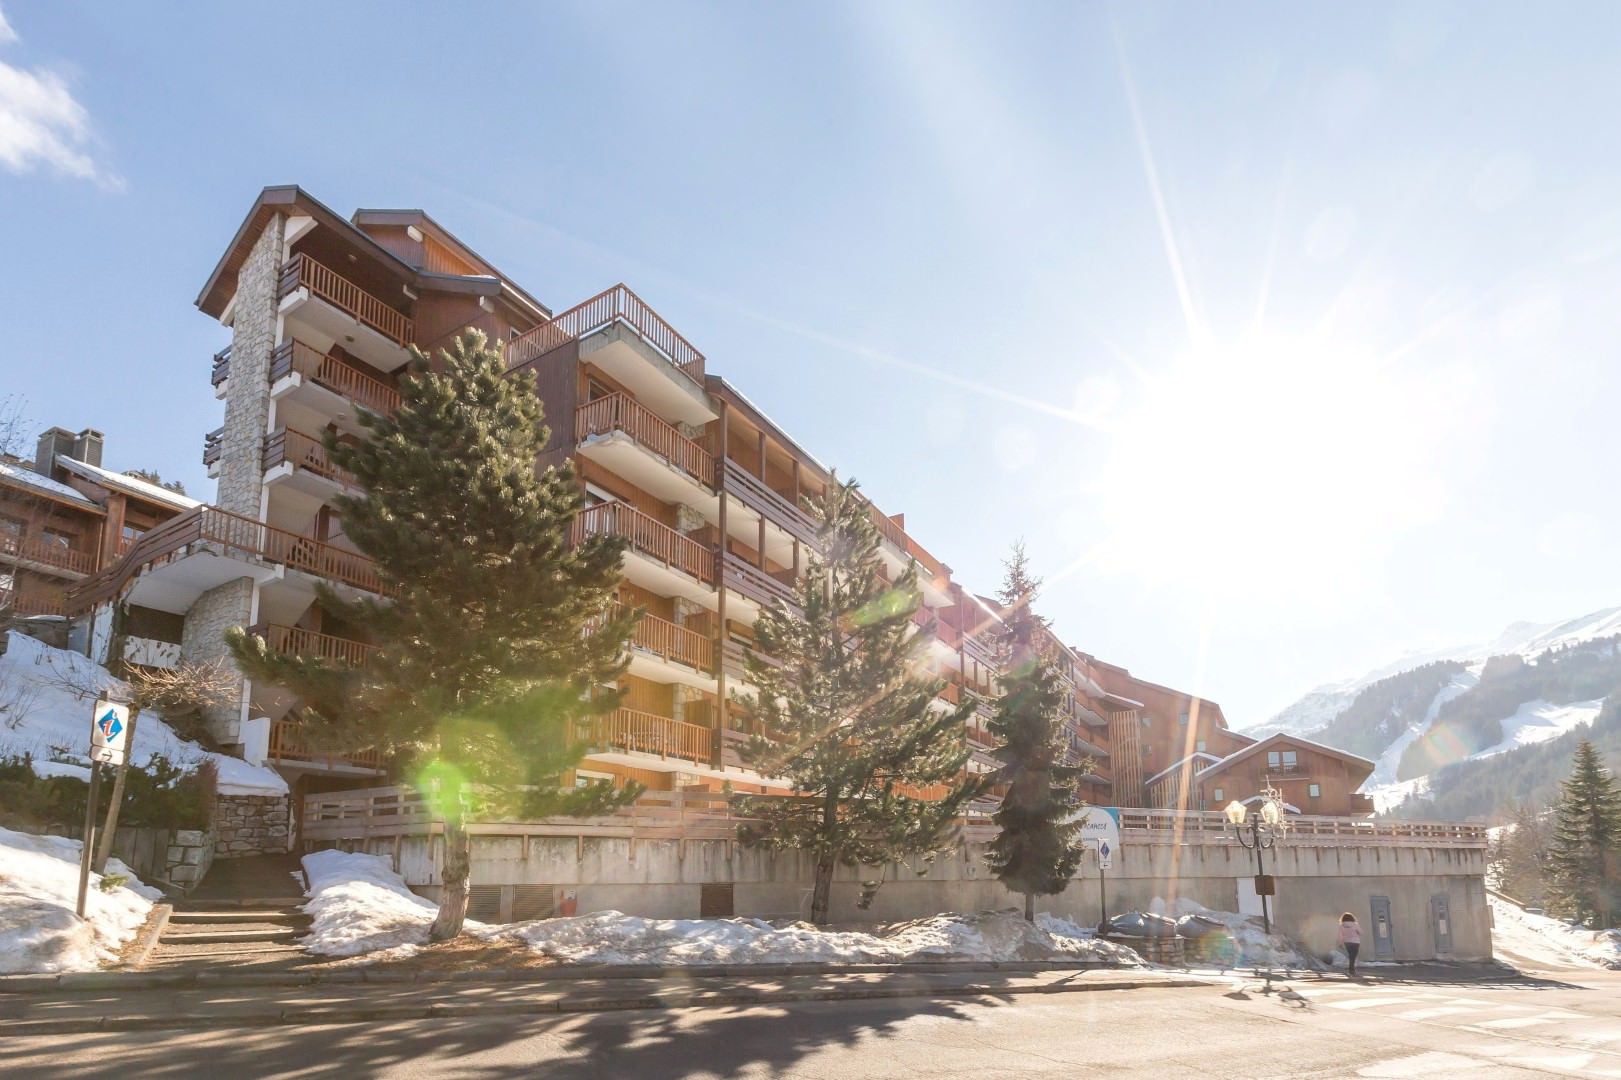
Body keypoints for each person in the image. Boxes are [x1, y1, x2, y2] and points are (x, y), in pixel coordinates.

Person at [1337, 912, 1362, 976]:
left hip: (1347, 942)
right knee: (1353, 956)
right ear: (1352, 918)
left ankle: (1351, 969)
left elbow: (1340, 935)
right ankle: (1351, 969)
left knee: (1351, 956)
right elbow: (1360, 932)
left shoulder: (1341, 925)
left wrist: (1340, 943)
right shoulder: (1355, 924)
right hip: (1356, 942)